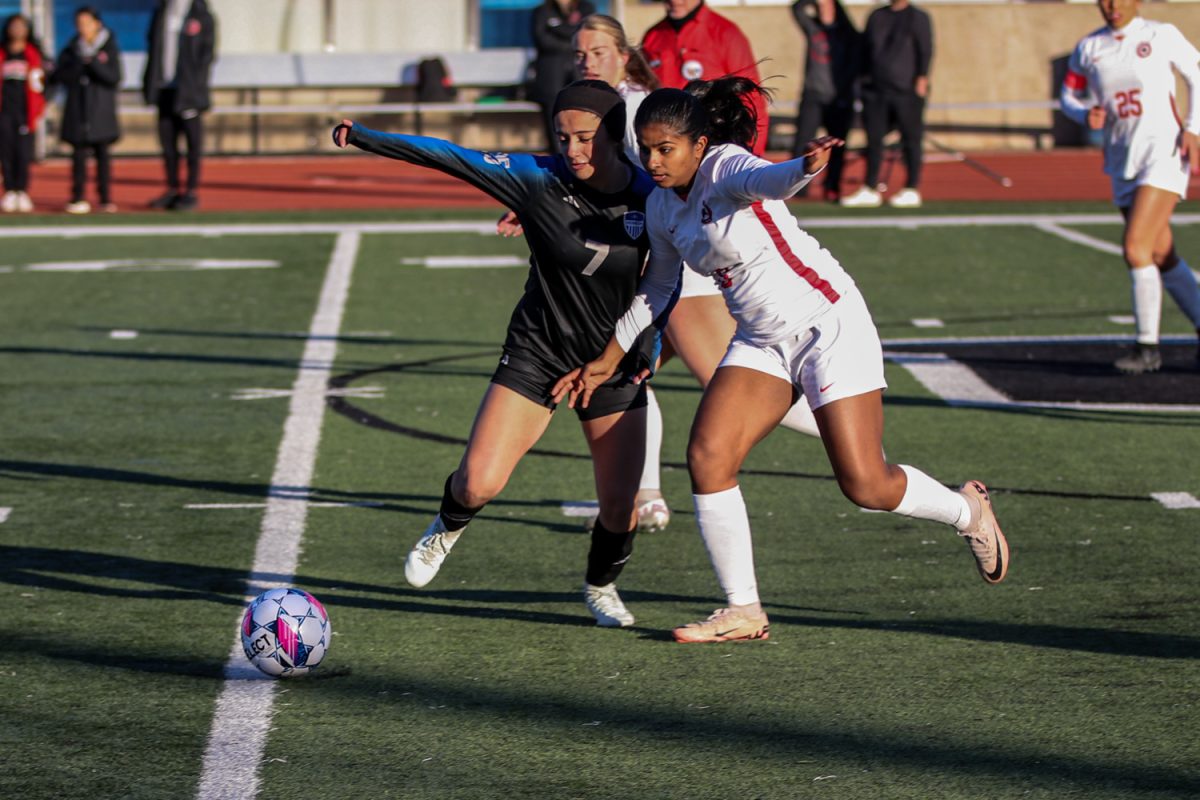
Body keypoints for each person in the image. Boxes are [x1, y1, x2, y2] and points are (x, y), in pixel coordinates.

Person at [559, 77, 1009, 643]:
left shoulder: (725, 167)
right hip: (760, 339)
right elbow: (658, 287)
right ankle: (743, 609)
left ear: (698, 145)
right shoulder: (659, 205)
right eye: (645, 148)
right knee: (708, 455)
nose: (653, 160)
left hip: (826, 323)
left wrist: (806, 167)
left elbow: (766, 179)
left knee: (866, 485)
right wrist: (610, 356)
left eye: (665, 149)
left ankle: (966, 511)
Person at [332, 80, 679, 628]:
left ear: (615, 136)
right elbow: (449, 155)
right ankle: (445, 528)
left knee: (620, 507)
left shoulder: (653, 195)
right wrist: (365, 138)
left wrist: (645, 348)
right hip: (538, 351)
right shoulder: (536, 177)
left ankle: (600, 586)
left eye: (585, 138)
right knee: (477, 483)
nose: (573, 151)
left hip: (612, 361)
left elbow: (665, 281)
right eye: (563, 137)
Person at [506, 14, 821, 534]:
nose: (588, 62)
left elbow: (663, 183)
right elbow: (594, 180)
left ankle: (848, 430)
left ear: (625, 56)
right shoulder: (594, 110)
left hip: (678, 267)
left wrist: (796, 169)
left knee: (731, 380)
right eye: (580, 55)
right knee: (631, 369)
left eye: (599, 52)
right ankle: (647, 495)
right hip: (650, 265)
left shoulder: (632, 111)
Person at [1060, 0, 1200, 374]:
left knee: (1135, 247)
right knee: (1160, 254)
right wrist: (1081, 113)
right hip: (1122, 158)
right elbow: (1069, 95)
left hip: (1163, 151)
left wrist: (1194, 127)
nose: (1111, 6)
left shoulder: (1161, 34)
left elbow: (1196, 73)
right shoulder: (1089, 47)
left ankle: (1147, 348)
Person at [641, 0, 769, 157]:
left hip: (715, 150)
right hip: (669, 152)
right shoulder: (653, 37)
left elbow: (752, 98)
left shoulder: (726, 33)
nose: (675, 1)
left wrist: (753, 154)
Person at [840, 0, 932, 209]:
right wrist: (861, 82)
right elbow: (865, 50)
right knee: (874, 140)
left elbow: (925, 48)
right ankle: (870, 187)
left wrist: (922, 78)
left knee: (911, 139)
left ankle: (911, 188)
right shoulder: (877, 16)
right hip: (875, 91)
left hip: (906, 91)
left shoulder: (918, 17)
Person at [143, 0, 216, 212]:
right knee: (168, 145)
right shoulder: (162, 12)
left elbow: (206, 54)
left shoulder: (201, 15)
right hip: (165, 89)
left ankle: (191, 191)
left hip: (188, 91)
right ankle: (172, 188)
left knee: (193, 145)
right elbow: (153, 47)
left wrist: (195, 87)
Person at [53, 5, 121, 215]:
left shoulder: (108, 48)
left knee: (103, 157)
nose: (83, 28)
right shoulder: (72, 48)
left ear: (97, 24)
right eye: (79, 24)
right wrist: (79, 65)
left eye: (87, 23)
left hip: (100, 111)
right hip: (77, 111)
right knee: (78, 158)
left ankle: (105, 198)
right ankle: (78, 197)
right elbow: (60, 76)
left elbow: (114, 77)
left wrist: (92, 63)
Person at [790, 0, 859, 202]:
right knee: (803, 142)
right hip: (813, 95)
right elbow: (796, 9)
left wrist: (846, 93)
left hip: (838, 98)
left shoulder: (848, 34)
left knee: (836, 146)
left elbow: (855, 67)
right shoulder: (813, 27)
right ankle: (796, 187)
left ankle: (832, 187)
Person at [528, 0, 596, 150]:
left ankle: (583, 150)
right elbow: (543, 40)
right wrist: (571, 35)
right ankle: (558, 153)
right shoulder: (542, 11)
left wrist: (556, 28)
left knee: (582, 107)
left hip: (577, 74)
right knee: (553, 110)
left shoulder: (585, 8)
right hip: (551, 75)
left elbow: (586, 34)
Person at [0, 14, 46, 214]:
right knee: (6, 152)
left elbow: (41, 85)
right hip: (4, 112)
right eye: (14, 26)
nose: (17, 30)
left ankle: (23, 191)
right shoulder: (2, 54)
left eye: (21, 27)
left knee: (23, 153)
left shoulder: (33, 55)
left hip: (25, 112)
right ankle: (10, 191)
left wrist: (38, 108)